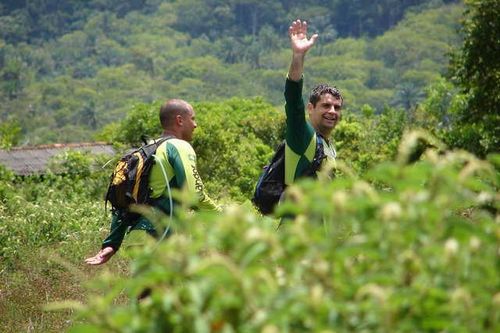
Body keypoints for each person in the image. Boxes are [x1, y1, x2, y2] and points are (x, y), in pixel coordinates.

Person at [85, 99, 219, 265]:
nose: (195, 124)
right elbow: (195, 193)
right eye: (193, 118)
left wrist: (112, 243)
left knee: (146, 291)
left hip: (137, 239)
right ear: (180, 120)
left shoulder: (146, 150)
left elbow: (125, 203)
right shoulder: (179, 146)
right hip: (162, 236)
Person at [283, 19, 343, 186]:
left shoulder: (328, 146)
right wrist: (298, 56)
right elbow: (293, 100)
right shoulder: (302, 135)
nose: (332, 111)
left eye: (337, 107)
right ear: (310, 108)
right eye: (326, 105)